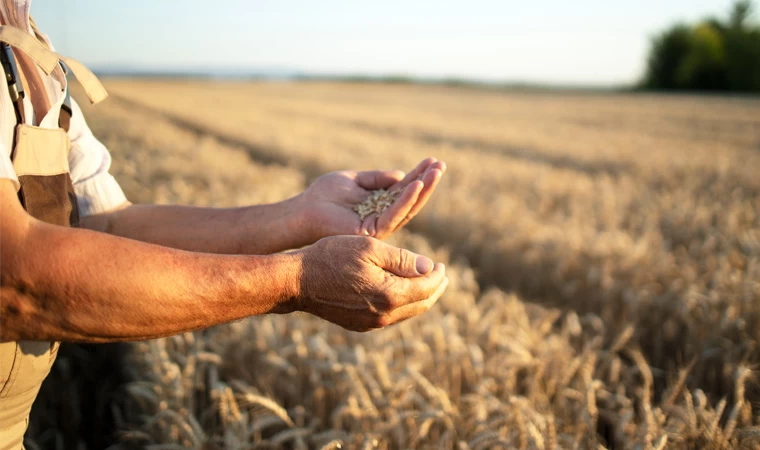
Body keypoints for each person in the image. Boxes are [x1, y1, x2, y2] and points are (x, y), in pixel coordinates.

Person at [0, 3, 448, 448]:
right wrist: (297, 280)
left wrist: (301, 214)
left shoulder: (30, 44)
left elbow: (104, 224)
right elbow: (14, 276)